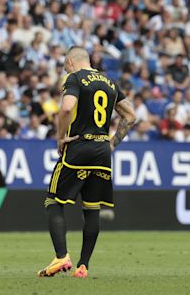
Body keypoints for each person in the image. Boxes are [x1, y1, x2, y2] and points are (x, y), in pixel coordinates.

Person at [37, 46, 136, 278]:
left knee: (53, 201)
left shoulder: (75, 78)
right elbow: (131, 116)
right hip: (102, 150)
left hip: (79, 146)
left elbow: (67, 108)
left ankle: (61, 256)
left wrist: (60, 138)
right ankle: (84, 266)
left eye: (64, 62)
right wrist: (111, 143)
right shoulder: (109, 82)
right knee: (92, 209)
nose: (64, 66)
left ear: (71, 61)